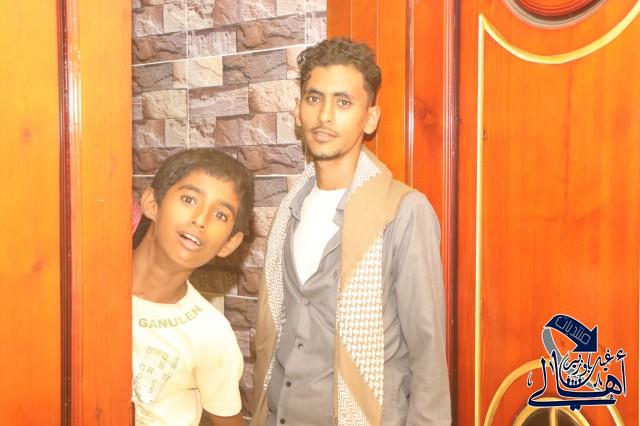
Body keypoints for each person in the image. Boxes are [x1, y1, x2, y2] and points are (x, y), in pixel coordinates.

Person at [251, 38, 451, 425]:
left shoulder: (404, 212)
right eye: (314, 98)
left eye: (343, 102)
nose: (325, 116)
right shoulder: (288, 210)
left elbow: (427, 357)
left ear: (370, 118)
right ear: (298, 110)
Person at [132, 148, 254, 426]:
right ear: (151, 203)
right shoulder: (85, 286)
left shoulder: (211, 334)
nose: (201, 219)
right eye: (189, 200)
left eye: (220, 215)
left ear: (229, 243)